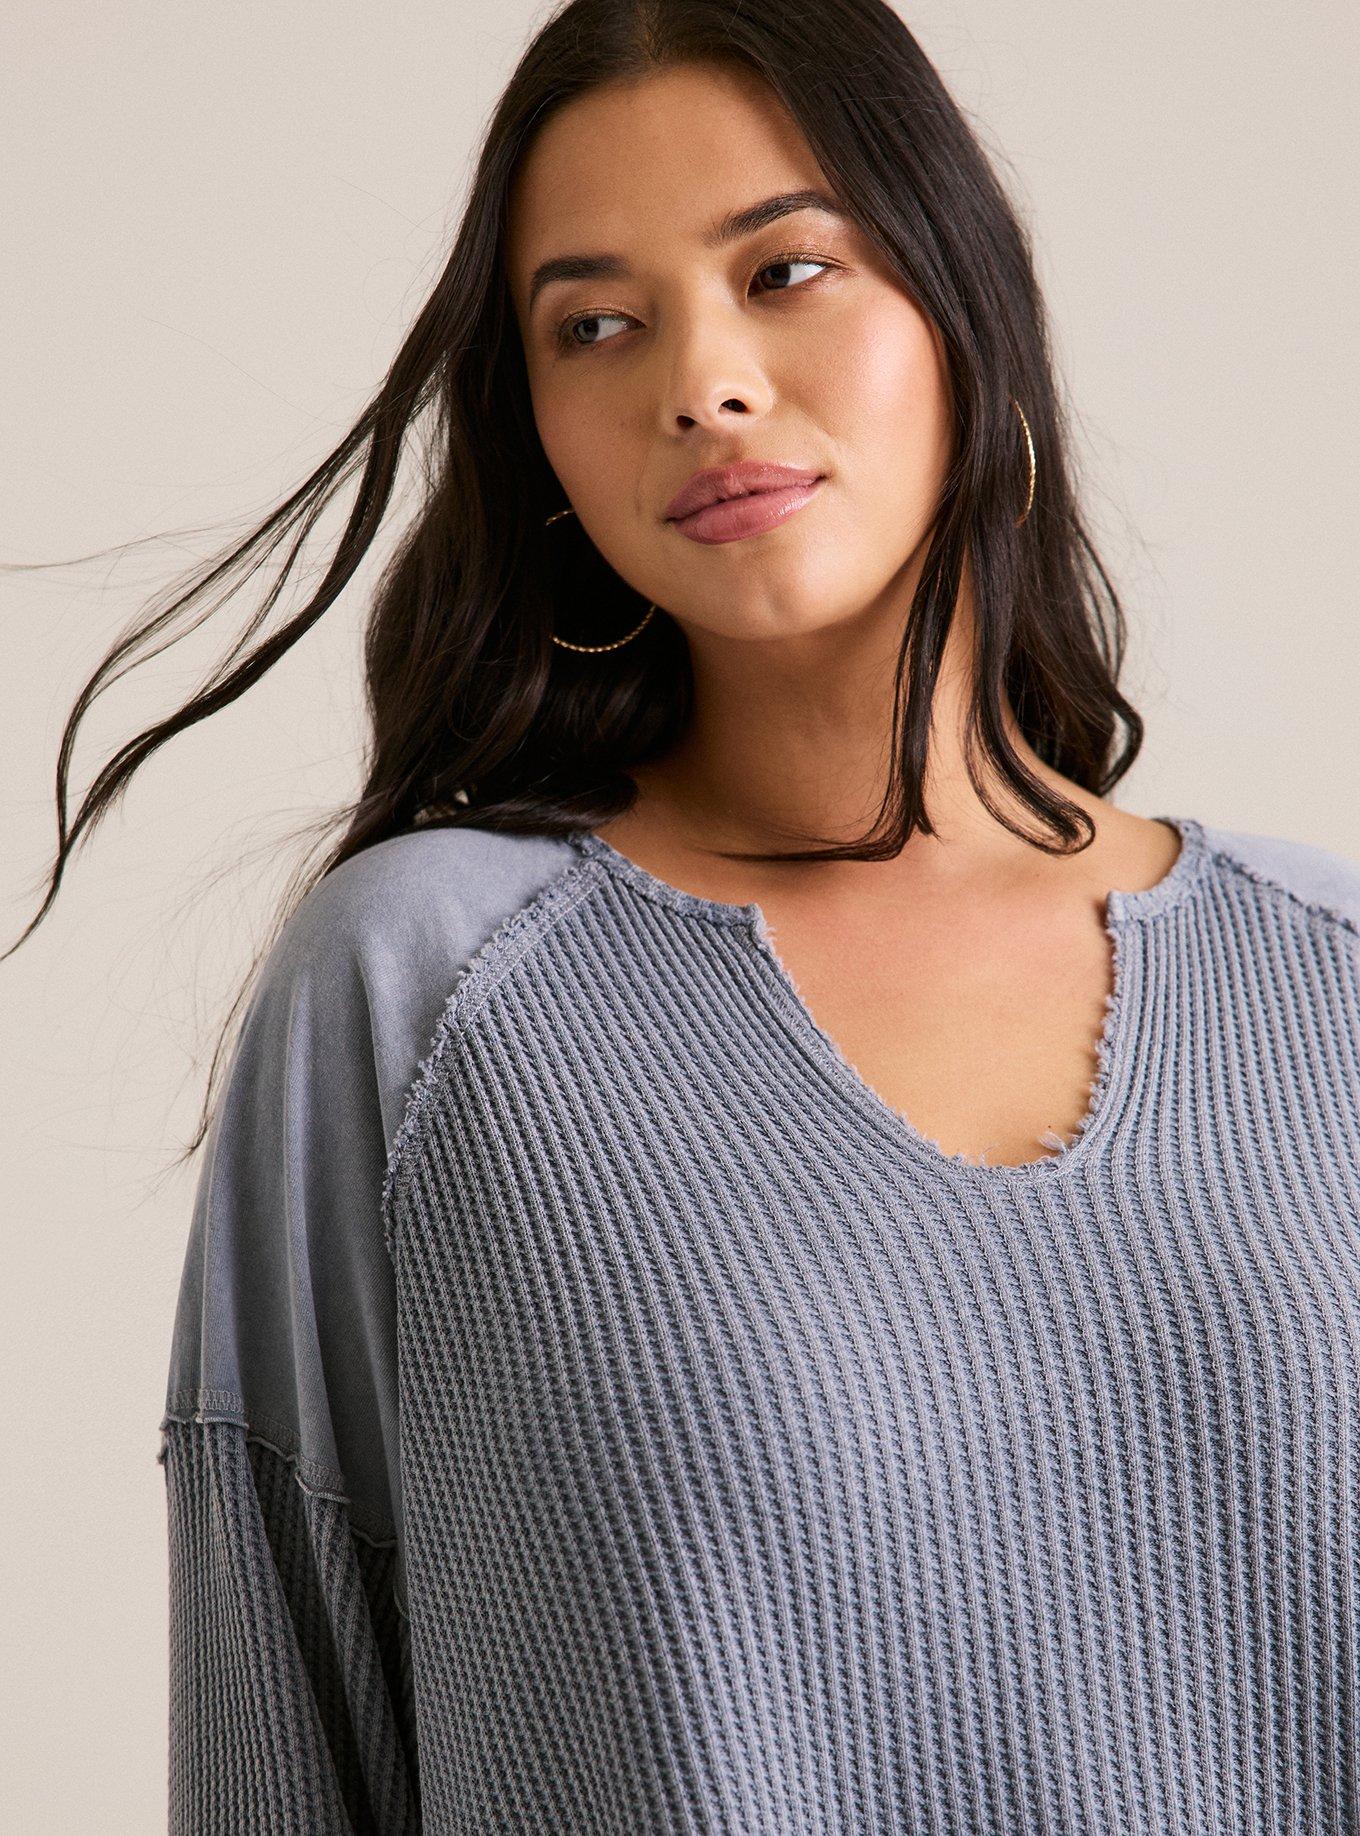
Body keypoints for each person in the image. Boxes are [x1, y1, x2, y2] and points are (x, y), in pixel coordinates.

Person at [12, 1, 1360, 1830]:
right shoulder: (424, 996)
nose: (703, 385)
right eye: (596, 325)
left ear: (962, 296)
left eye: (785, 271)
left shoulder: (1331, 985)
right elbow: (283, 1731)